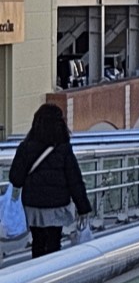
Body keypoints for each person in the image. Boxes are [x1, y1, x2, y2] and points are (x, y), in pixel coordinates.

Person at [9, 104, 92, 258]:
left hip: (33, 205)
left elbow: (15, 178)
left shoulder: (25, 147)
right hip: (56, 206)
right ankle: (52, 268)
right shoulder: (64, 149)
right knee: (54, 241)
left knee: (37, 241)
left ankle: (37, 268)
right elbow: (74, 180)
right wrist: (83, 207)